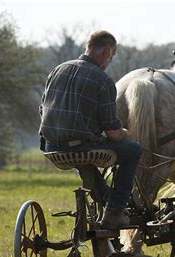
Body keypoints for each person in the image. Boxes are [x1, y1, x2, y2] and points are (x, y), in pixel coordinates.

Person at [39, 30, 142, 230]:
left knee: (83, 161)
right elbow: (113, 133)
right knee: (133, 150)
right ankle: (115, 212)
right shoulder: (102, 80)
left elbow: (42, 109)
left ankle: (106, 200)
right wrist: (126, 133)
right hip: (80, 147)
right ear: (105, 52)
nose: (108, 62)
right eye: (110, 58)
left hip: (51, 147)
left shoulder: (57, 70)